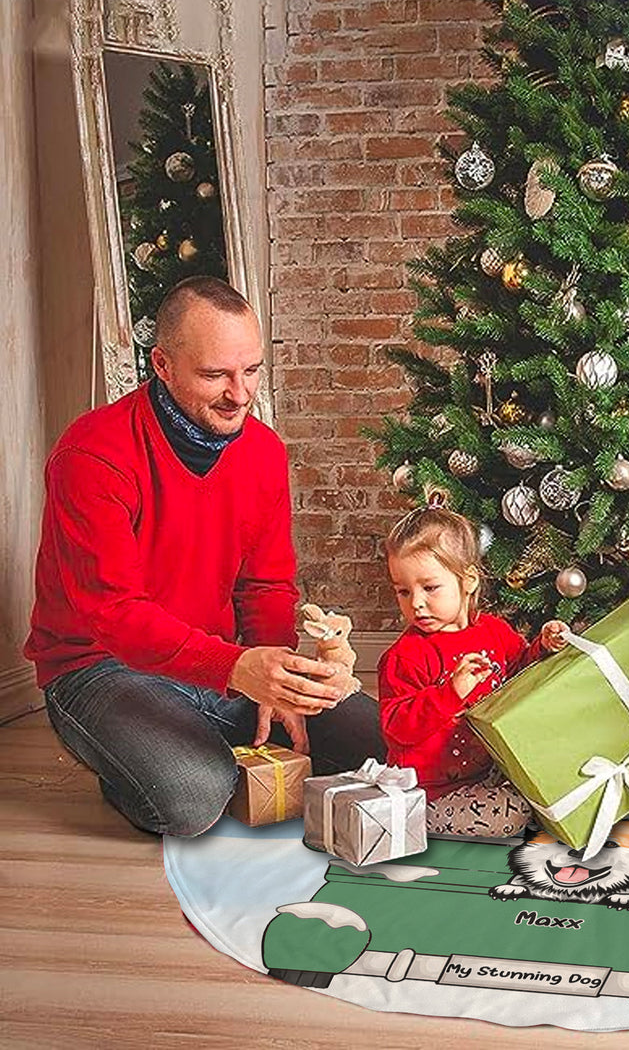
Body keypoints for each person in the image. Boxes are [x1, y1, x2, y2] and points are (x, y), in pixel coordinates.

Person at [25, 277, 383, 837]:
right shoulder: (92, 455)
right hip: (96, 667)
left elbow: (265, 585)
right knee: (194, 800)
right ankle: (135, 760)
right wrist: (238, 671)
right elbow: (113, 614)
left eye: (252, 370)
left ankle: (192, 737)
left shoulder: (263, 452)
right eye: (215, 375)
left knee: (378, 741)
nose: (240, 394)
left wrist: (274, 675)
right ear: (162, 365)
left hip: (217, 661)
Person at [378, 498, 570, 838]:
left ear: (468, 581)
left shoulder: (494, 631)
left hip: (486, 771)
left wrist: (543, 646)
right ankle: (408, 818)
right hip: (431, 791)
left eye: (430, 587)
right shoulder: (405, 656)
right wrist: (449, 693)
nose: (416, 603)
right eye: (403, 592)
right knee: (510, 816)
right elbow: (396, 727)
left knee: (550, 783)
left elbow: (519, 673)